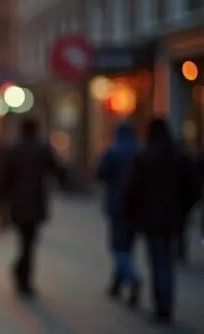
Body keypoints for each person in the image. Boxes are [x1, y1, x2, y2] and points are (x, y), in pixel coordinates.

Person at [124, 118, 200, 324]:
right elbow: (193, 188)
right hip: (173, 217)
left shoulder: (144, 157)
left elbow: (133, 189)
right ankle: (165, 304)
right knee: (167, 260)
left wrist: (133, 213)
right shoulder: (179, 157)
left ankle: (162, 306)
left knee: (158, 260)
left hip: (151, 218)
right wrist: (184, 209)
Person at [1, 118, 65, 297]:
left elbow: (5, 177)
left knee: (24, 241)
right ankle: (23, 276)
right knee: (29, 242)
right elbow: (57, 170)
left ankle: (21, 272)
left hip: (18, 203)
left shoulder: (14, 150)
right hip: (36, 202)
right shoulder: (42, 150)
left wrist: (2, 201)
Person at [97, 122, 142, 307]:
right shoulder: (139, 152)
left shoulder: (113, 152)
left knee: (118, 246)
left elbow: (100, 173)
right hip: (136, 207)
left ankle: (131, 277)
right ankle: (118, 282)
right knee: (127, 246)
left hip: (117, 205)